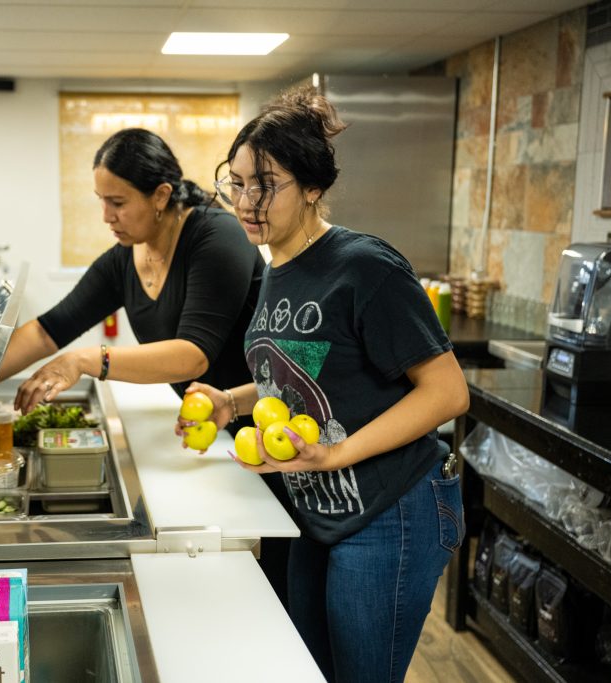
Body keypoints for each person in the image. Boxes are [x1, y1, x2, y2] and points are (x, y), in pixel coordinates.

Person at [177, 88, 469, 682]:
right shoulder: (275, 266)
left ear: (312, 187)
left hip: (393, 510)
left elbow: (447, 394)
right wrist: (230, 399)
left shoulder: (363, 265)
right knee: (307, 669)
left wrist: (335, 452)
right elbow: (303, 372)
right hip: (319, 508)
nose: (246, 201)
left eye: (266, 184)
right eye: (236, 183)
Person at [0, 128, 294, 607]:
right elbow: (51, 329)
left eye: (117, 202)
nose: (106, 217)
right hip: (207, 434)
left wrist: (88, 359)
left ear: (160, 196)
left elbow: (193, 353)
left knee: (275, 587)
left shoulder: (216, 236)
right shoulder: (125, 259)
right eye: (100, 201)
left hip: (262, 428)